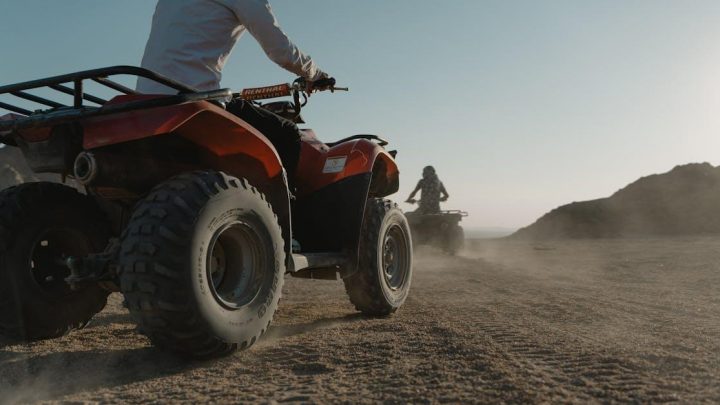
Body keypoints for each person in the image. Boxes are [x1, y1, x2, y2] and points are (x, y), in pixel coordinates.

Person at [135, 0, 333, 183]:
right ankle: (275, 219)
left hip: (144, 102)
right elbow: (280, 50)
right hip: (192, 100)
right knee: (287, 134)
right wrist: (315, 75)